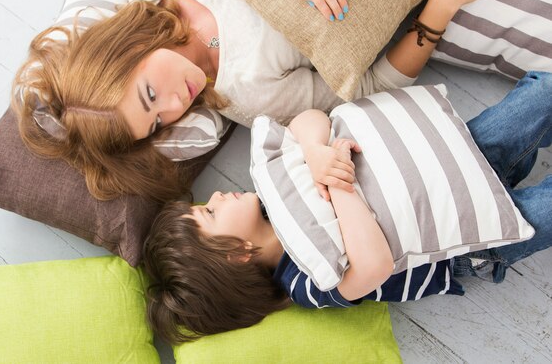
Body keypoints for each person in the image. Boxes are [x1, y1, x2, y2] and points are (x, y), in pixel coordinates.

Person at [12, 0, 528, 202]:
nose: (174, 107)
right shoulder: (246, 95)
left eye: (150, 94)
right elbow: (370, 87)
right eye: (158, 124)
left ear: (124, 50)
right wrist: (445, 0)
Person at [142, 71, 552, 344]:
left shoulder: (274, 190)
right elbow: (373, 266)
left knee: (541, 94)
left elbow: (307, 118)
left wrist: (317, 153)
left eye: (202, 203)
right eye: (209, 213)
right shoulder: (305, 284)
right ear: (237, 253)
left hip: (453, 157)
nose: (214, 196)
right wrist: (339, 183)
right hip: (465, 240)